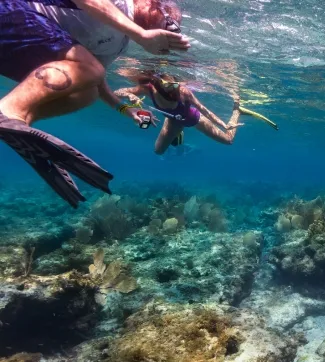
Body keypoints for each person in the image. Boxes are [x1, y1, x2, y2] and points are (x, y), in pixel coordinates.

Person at [0, 0, 190, 207]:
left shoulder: (119, 44)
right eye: (166, 14)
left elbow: (95, 80)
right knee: (91, 69)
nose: (169, 22)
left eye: (173, 23)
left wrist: (127, 110)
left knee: (87, 93)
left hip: (16, 47)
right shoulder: (120, 4)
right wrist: (140, 34)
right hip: (11, 12)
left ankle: (18, 123)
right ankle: (9, 111)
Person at [115, 73, 278, 155]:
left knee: (228, 140)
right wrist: (130, 95)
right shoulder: (148, 89)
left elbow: (204, 110)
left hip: (192, 118)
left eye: (175, 85)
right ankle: (177, 133)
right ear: (159, 84)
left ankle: (237, 110)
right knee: (158, 151)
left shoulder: (184, 92)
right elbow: (117, 92)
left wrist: (224, 124)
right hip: (172, 121)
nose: (174, 89)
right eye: (169, 86)